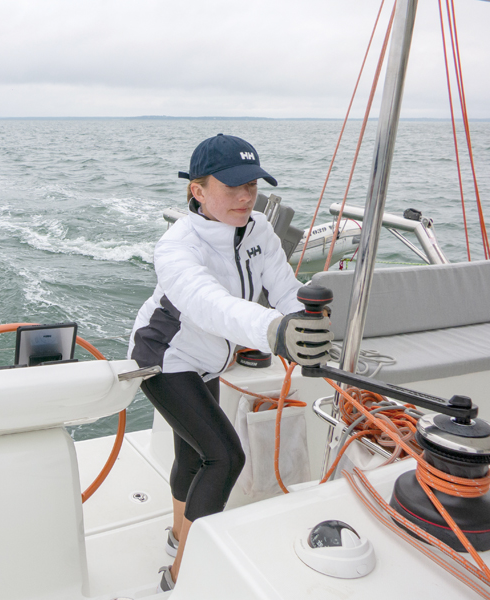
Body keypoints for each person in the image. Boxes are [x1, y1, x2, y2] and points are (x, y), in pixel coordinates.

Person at [128, 134, 332, 592]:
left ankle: (178, 535)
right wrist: (274, 332)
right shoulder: (178, 245)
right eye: (232, 187)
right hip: (164, 357)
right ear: (197, 191)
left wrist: (306, 323)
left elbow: (283, 287)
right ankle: (182, 574)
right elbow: (208, 304)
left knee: (192, 453)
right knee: (224, 456)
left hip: (209, 359)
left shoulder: (258, 229)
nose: (245, 196)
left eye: (252, 186)